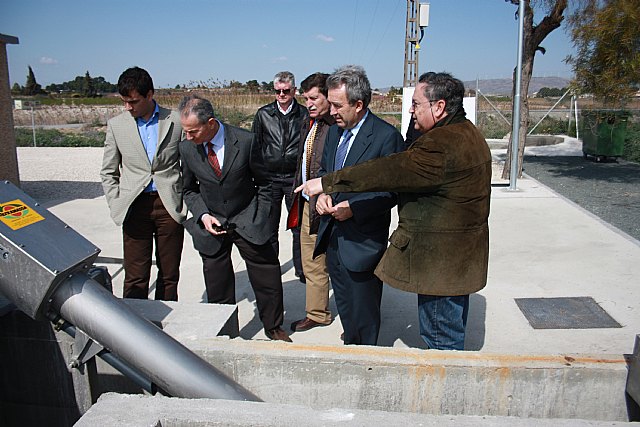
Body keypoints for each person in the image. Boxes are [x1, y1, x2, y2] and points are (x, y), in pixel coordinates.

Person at [298, 72, 492, 350]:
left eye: (416, 104)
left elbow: (388, 171)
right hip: (456, 259)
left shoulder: (439, 144)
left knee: (442, 343)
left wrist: (327, 183)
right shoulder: (466, 133)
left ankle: (442, 392)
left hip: (441, 263)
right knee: (447, 334)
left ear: (438, 107)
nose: (411, 111)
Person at [178, 94, 291, 343]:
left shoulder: (246, 141)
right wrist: (203, 215)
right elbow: (188, 189)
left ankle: (273, 326)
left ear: (210, 123)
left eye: (193, 131)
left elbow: (266, 183)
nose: (188, 137)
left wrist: (262, 216)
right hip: (212, 224)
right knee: (217, 283)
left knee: (267, 276)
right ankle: (225, 330)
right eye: (185, 132)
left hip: (247, 218)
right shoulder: (187, 148)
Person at [312, 65, 404, 345]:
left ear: (359, 104)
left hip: (362, 241)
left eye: (338, 106)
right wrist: (321, 196)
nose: (332, 111)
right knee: (347, 308)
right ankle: (352, 345)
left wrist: (353, 207)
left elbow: (392, 191)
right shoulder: (334, 132)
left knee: (364, 313)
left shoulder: (386, 137)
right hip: (333, 237)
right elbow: (324, 173)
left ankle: (365, 363)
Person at [100, 66, 185, 301]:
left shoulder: (175, 120)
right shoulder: (117, 125)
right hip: (134, 206)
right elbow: (108, 171)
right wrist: (115, 202)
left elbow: (188, 164)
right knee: (136, 275)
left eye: (134, 101)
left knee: (169, 274)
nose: (128, 107)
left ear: (150, 95)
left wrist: (183, 201)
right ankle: (134, 327)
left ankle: (164, 327)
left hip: (168, 206)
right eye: (125, 102)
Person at [289, 73, 336, 333]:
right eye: (305, 98)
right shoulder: (310, 124)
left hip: (331, 205)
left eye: (314, 98)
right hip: (308, 203)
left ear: (328, 96)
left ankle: (358, 318)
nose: (308, 103)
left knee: (340, 265)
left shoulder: (337, 127)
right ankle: (317, 313)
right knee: (312, 262)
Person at [252, 71, 308, 282]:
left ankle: (301, 270)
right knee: (269, 226)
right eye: (278, 91)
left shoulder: (304, 114)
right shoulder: (263, 114)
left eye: (286, 91)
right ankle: (271, 268)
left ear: (294, 91)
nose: (282, 95)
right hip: (271, 179)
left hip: (294, 180)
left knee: (297, 226)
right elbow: (255, 147)